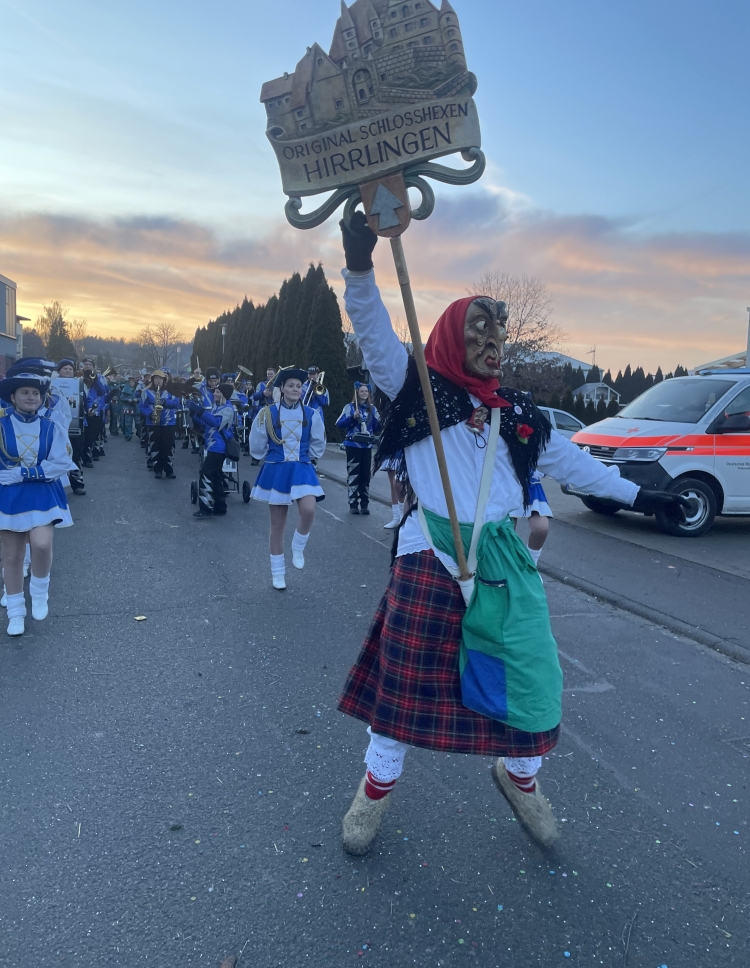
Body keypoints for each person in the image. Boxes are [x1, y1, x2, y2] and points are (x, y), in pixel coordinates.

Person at [335, 214, 688, 856]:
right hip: (428, 551)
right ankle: (374, 790)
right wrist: (360, 266)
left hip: (502, 557)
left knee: (531, 676)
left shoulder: (520, 414)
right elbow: (374, 330)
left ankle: (519, 777)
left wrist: (641, 496)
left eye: (498, 334)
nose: (492, 342)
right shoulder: (415, 389)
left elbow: (575, 466)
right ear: (451, 335)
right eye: (479, 330)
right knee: (404, 685)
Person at [0, 363, 75, 636]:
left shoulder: (51, 426)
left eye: (35, 393)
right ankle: (16, 612)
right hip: (9, 496)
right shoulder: (1, 425)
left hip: (42, 492)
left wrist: (24, 473)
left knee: (41, 544)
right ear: (13, 397)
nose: (31, 397)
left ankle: (40, 590)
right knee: (12, 556)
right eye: (25, 392)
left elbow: (62, 462)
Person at [250, 368, 326, 590]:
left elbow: (318, 443)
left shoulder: (311, 414)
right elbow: (257, 445)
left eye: (298, 386)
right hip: (277, 469)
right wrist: (271, 456)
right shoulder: (267, 413)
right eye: (291, 385)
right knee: (277, 524)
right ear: (282, 388)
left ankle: (298, 545)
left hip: (301, 466)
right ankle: (278, 573)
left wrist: (307, 456)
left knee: (309, 510)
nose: (295, 389)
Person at [188, 382, 236, 517]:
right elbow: (206, 424)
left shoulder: (227, 409)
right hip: (213, 446)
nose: (214, 393)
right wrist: (194, 414)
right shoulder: (217, 407)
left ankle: (206, 508)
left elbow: (216, 422)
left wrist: (200, 410)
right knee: (216, 476)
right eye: (215, 391)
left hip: (218, 447)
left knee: (206, 474)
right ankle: (220, 507)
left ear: (224, 395)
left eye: (217, 392)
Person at [336, 382, 382, 515]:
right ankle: (353, 505)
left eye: (366, 391)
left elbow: (377, 427)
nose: (364, 393)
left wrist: (380, 422)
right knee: (353, 475)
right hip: (353, 446)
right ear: (357, 393)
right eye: (362, 391)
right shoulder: (349, 407)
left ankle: (365, 505)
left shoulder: (372, 409)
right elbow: (339, 424)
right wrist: (352, 417)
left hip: (367, 446)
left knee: (365, 476)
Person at [140, 368, 181, 479]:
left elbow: (176, 403)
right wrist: (149, 414)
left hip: (168, 423)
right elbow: (142, 406)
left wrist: (165, 402)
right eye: (156, 378)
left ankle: (169, 470)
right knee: (155, 446)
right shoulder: (146, 392)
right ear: (153, 380)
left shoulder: (171, 391)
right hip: (153, 423)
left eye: (160, 379)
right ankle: (157, 469)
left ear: (164, 380)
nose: (158, 381)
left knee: (168, 446)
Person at [54, 359, 86, 495]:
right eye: (65, 368)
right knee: (55, 456)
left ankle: (77, 484)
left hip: (76, 425)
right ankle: (55, 486)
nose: (68, 371)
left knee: (76, 455)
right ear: (59, 370)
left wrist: (90, 408)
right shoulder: (52, 384)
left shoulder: (80, 384)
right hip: (56, 426)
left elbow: (86, 400)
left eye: (70, 369)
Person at [510, 469, 551, 565]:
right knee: (507, 532)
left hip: (530, 483)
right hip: (505, 481)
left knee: (541, 528)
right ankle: (508, 565)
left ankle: (531, 565)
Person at [81, 359, 108, 465]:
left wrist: (95, 379)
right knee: (82, 435)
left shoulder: (99, 378)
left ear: (93, 367)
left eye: (90, 365)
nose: (87, 366)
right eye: (85, 364)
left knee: (91, 435)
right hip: (81, 409)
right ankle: (82, 457)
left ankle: (88, 456)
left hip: (95, 409)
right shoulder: (78, 376)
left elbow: (102, 391)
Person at [120, 376, 138, 441]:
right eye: (130, 382)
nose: (131, 383)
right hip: (128, 407)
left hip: (136, 408)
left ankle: (139, 433)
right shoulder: (125, 390)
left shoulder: (137, 389)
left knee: (138, 422)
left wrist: (137, 399)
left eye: (133, 382)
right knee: (128, 423)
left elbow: (142, 398)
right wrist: (127, 399)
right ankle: (128, 435)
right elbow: (121, 398)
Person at [105, 369, 121, 436]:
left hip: (118, 402)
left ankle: (113, 429)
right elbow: (109, 391)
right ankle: (113, 430)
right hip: (113, 401)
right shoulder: (111, 383)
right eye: (118, 376)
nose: (119, 377)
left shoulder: (120, 383)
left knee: (115, 416)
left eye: (120, 376)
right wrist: (116, 388)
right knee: (114, 416)